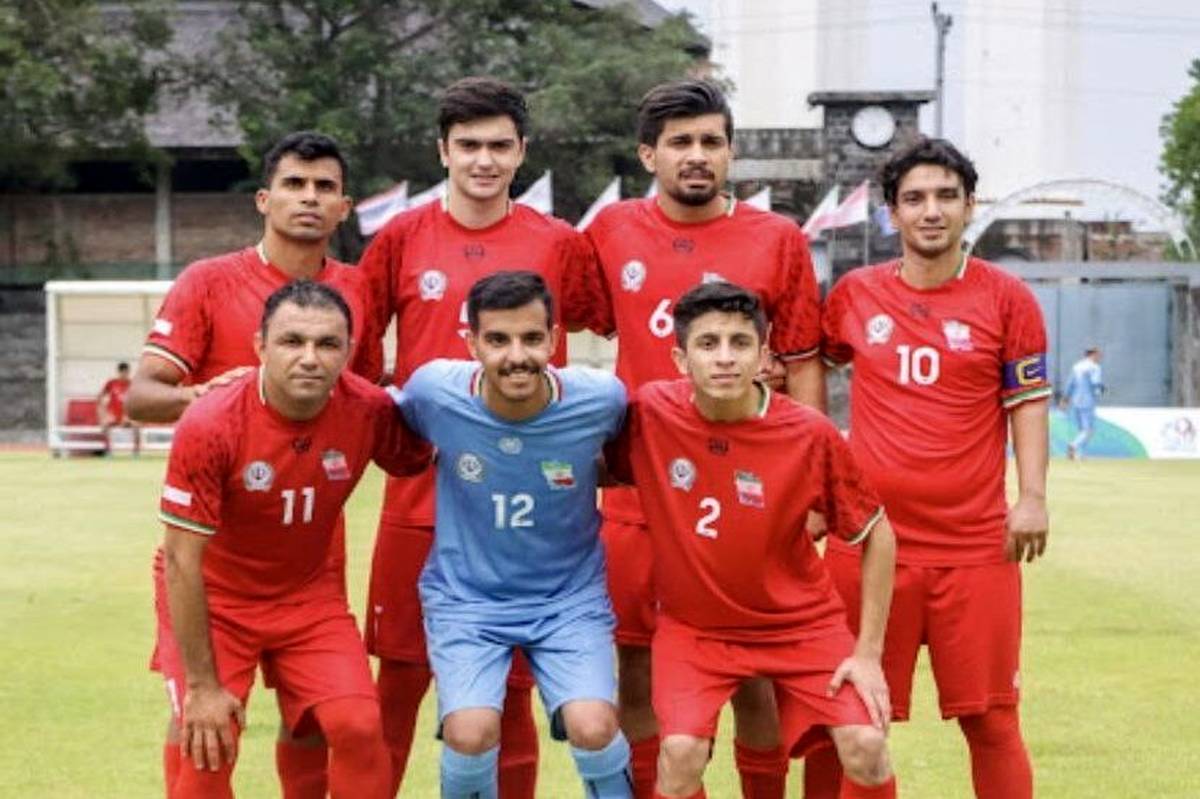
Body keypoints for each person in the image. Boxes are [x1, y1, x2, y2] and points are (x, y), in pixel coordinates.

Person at [355, 76, 604, 797]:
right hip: (421, 495)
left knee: (513, 692)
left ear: (522, 151)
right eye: (468, 145)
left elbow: (605, 324)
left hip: (523, 501)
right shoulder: (401, 237)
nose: (484, 160)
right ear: (443, 150)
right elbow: (363, 352)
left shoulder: (557, 242)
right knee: (399, 678)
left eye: (499, 145)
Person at [584, 78, 823, 798]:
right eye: (680, 143)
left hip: (750, 492)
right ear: (647, 154)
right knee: (635, 663)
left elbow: (805, 360)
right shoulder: (610, 232)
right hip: (637, 492)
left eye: (711, 142)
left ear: (731, 152)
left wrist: (809, 486)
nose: (697, 156)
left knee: (753, 669)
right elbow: (544, 327)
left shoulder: (776, 239)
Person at [126, 130, 371, 798]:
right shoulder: (209, 282)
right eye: (295, 184)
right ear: (265, 198)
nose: (309, 199)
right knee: (203, 726)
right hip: (214, 550)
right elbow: (141, 395)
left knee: (321, 721)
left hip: (310, 554)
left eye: (324, 187)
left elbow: (367, 401)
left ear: (344, 206)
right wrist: (197, 393)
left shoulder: (357, 290)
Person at [814, 138, 1052, 799]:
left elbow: (1028, 401)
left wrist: (1031, 496)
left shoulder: (1009, 300)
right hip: (867, 543)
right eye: (914, 198)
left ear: (970, 206)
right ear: (891, 212)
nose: (931, 210)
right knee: (850, 718)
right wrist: (811, 485)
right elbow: (805, 365)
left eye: (947, 195)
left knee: (991, 718)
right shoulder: (855, 294)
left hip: (974, 545)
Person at [607, 281, 898, 799]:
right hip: (696, 630)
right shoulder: (650, 413)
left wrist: (868, 654)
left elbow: (877, 535)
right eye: (708, 343)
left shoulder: (809, 434)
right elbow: (586, 461)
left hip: (800, 625)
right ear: (680, 357)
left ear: (764, 357)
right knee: (679, 758)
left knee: (867, 747)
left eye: (740, 344)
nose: (724, 358)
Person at [156, 280, 431, 798]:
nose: (310, 358)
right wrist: (201, 687)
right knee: (210, 740)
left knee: (357, 725)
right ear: (260, 346)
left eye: (327, 344)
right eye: (292, 342)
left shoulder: (369, 409)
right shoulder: (212, 422)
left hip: (307, 596)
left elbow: (424, 453)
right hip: (216, 598)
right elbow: (180, 560)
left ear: (349, 352)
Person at [389, 271, 631, 798]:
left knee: (595, 726)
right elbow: (373, 419)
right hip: (467, 598)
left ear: (554, 337)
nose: (516, 355)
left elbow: (625, 457)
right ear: (471, 341)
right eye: (497, 340)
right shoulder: (433, 392)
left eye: (531, 338)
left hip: (569, 598)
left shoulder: (601, 400)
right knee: (470, 733)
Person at [1062, 346, 1104, 459]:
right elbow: (1096, 383)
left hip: (1075, 401)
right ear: (1093, 354)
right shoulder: (1095, 367)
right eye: (1098, 355)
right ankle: (1074, 445)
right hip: (1088, 401)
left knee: (1081, 429)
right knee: (1088, 429)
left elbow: (1070, 384)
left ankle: (1080, 454)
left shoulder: (1076, 366)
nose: (1100, 357)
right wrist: (1100, 391)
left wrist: (1065, 399)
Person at [97, 361, 139, 455]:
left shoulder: (132, 384)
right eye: (122, 373)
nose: (124, 375)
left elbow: (136, 401)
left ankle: (136, 451)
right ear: (119, 372)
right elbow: (100, 397)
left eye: (126, 373)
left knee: (136, 425)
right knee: (105, 425)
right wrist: (104, 414)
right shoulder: (111, 383)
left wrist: (129, 415)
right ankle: (108, 450)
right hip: (114, 415)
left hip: (126, 415)